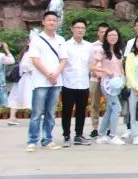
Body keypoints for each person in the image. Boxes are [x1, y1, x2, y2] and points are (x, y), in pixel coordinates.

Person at [26, 11, 67, 152]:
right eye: (49, 20)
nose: (52, 22)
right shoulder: (36, 39)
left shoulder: (61, 39)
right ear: (43, 22)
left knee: (50, 112)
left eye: (54, 20)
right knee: (37, 113)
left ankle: (47, 139)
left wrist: (55, 74)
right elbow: (35, 59)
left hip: (56, 81)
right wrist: (49, 74)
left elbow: (63, 60)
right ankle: (32, 141)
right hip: (41, 81)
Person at [60, 19, 94, 147]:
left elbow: (91, 64)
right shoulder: (65, 45)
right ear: (72, 29)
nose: (80, 30)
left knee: (81, 111)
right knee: (67, 111)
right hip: (68, 83)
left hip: (83, 84)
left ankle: (78, 135)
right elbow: (62, 64)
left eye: (82, 28)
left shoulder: (89, 46)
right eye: (77, 27)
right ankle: (66, 136)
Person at [93, 27, 126, 146]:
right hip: (107, 84)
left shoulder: (119, 51)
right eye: (110, 35)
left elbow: (120, 68)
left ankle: (101, 135)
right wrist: (105, 70)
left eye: (115, 35)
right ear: (106, 37)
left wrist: (123, 80)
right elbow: (92, 67)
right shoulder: (102, 50)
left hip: (117, 84)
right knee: (117, 108)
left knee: (110, 109)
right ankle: (112, 135)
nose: (113, 37)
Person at [6, 36, 34, 125]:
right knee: (31, 96)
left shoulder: (25, 52)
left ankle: (12, 117)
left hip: (22, 78)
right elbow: (26, 66)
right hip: (28, 78)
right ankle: (39, 115)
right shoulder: (29, 53)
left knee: (16, 97)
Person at [87, 22, 108, 138]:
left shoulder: (112, 45)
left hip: (108, 80)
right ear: (98, 33)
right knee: (94, 104)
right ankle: (95, 128)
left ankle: (108, 127)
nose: (104, 34)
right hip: (95, 78)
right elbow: (89, 62)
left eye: (106, 32)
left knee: (110, 103)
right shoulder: (92, 46)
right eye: (101, 32)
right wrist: (95, 73)